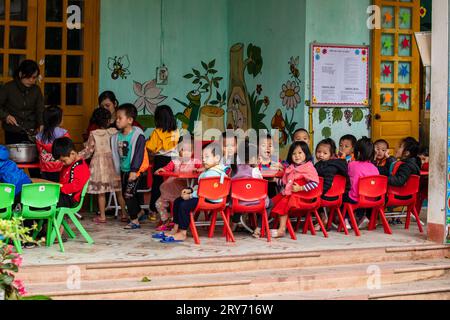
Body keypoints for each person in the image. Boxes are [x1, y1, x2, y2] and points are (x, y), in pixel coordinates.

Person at [157, 143, 229, 243]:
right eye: (203, 157)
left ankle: (182, 232)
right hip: (207, 197)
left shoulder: (212, 173)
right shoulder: (213, 170)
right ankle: (175, 228)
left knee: (183, 204)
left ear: (216, 158)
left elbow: (205, 191)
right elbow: (203, 188)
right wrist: (191, 190)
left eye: (207, 157)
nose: (203, 159)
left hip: (211, 200)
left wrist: (190, 195)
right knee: (178, 200)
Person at [79, 108, 126, 224]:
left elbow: (88, 151)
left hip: (100, 165)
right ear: (110, 120)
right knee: (119, 191)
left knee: (101, 192)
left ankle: (103, 216)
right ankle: (124, 214)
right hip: (114, 163)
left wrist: (77, 156)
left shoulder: (94, 134)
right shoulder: (115, 132)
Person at [270, 141, 319, 238]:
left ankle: (282, 229)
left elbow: (315, 183)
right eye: (294, 153)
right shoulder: (291, 168)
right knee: (272, 202)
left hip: (302, 198)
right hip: (291, 195)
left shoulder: (308, 167)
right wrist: (274, 180)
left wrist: (301, 187)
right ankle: (264, 225)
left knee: (282, 203)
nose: (297, 156)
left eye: (300, 153)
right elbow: (285, 183)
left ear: (306, 153)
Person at [111, 104, 148, 230]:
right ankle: (140, 212)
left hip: (134, 171)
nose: (117, 120)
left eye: (120, 118)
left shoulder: (138, 136)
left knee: (128, 195)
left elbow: (138, 154)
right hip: (123, 170)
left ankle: (134, 220)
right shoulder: (116, 137)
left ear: (130, 120)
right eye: (116, 118)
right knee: (127, 194)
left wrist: (134, 170)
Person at [153, 136, 202, 231]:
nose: (187, 153)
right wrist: (163, 169)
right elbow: (167, 168)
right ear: (179, 150)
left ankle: (178, 221)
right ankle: (166, 219)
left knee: (183, 206)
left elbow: (202, 170)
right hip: (171, 189)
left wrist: (198, 170)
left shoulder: (196, 162)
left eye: (189, 150)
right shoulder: (175, 162)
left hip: (186, 191)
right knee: (158, 204)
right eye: (183, 150)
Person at [146, 105, 180, 221]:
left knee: (157, 185)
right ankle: (172, 209)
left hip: (161, 160)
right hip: (174, 160)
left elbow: (151, 147)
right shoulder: (176, 131)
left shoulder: (156, 132)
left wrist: (147, 144)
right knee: (172, 184)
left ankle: (154, 211)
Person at [0, 60, 44, 145]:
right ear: (20, 74)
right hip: (12, 131)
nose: (31, 80)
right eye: (28, 77)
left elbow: (40, 109)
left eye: (34, 77)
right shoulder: (8, 88)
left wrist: (41, 124)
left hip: (31, 131)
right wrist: (6, 116)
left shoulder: (36, 90)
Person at [231, 140, 268, 238]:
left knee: (239, 195)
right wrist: (256, 167)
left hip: (237, 203)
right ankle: (258, 228)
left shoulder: (234, 169)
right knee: (267, 203)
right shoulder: (254, 171)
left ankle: (234, 224)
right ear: (252, 158)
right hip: (255, 202)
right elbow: (260, 185)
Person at [345, 137, 379, 230]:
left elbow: (346, 175)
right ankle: (362, 217)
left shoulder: (352, 165)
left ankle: (346, 219)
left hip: (356, 198)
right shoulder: (375, 168)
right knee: (358, 193)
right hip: (372, 199)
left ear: (358, 152)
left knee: (344, 195)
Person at [314, 138, 348, 227]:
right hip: (336, 197)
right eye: (318, 152)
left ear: (331, 155)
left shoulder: (330, 167)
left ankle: (323, 218)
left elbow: (327, 184)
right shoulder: (321, 164)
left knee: (311, 197)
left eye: (325, 153)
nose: (321, 155)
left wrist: (319, 193)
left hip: (327, 196)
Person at [52, 137, 90, 209]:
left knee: (44, 202)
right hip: (64, 196)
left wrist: (60, 188)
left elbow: (76, 186)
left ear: (72, 153)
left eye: (64, 160)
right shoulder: (68, 165)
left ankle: (43, 219)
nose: (62, 163)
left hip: (70, 199)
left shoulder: (80, 167)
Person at [36, 106, 70, 182]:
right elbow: (68, 149)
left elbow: (39, 149)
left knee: (47, 187)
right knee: (59, 187)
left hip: (45, 168)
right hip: (60, 167)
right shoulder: (64, 133)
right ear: (58, 120)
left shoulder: (39, 135)